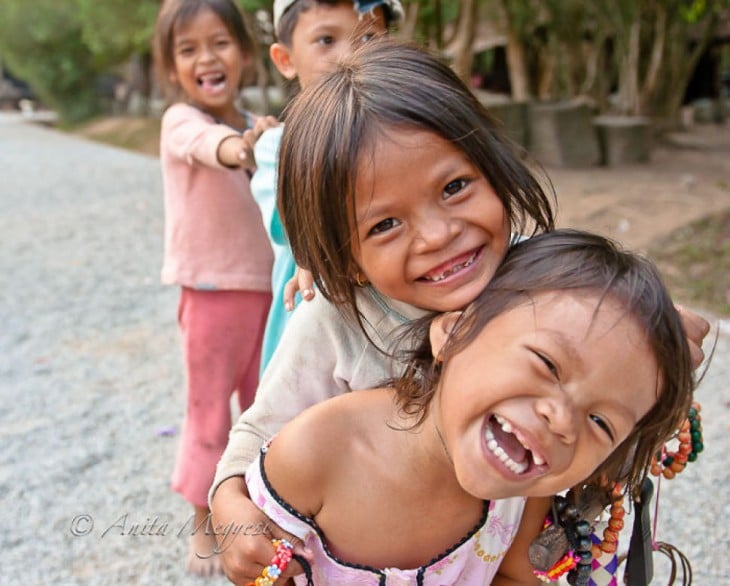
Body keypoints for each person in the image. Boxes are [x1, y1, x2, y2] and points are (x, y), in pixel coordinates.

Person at [209, 41, 709, 583]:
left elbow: (604, 315)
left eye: (454, 187)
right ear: (348, 260)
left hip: (496, 533)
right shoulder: (333, 322)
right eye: (384, 225)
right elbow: (259, 431)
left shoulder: (527, 276)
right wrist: (229, 510)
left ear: (494, 169)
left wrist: (653, 324)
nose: (439, 234)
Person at [244, 229, 696, 585]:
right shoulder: (320, 447)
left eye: (600, 421)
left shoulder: (524, 494)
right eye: (547, 364)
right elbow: (255, 566)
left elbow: (516, 576)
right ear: (455, 333)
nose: (561, 420)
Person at [152, 0, 274, 575]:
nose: (207, 58)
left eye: (220, 42)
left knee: (265, 408)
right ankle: (202, 519)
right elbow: (209, 147)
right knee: (209, 415)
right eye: (188, 49)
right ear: (171, 67)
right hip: (210, 293)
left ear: (246, 54)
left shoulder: (256, 125)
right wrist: (242, 148)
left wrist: (264, 142)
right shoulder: (182, 121)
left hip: (269, 291)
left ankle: (258, 510)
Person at [250, 0, 404, 375]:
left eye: (368, 36)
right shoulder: (278, 148)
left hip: (401, 322)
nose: (352, 54)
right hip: (319, 349)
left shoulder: (406, 134)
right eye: (325, 40)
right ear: (285, 59)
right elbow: (304, 224)